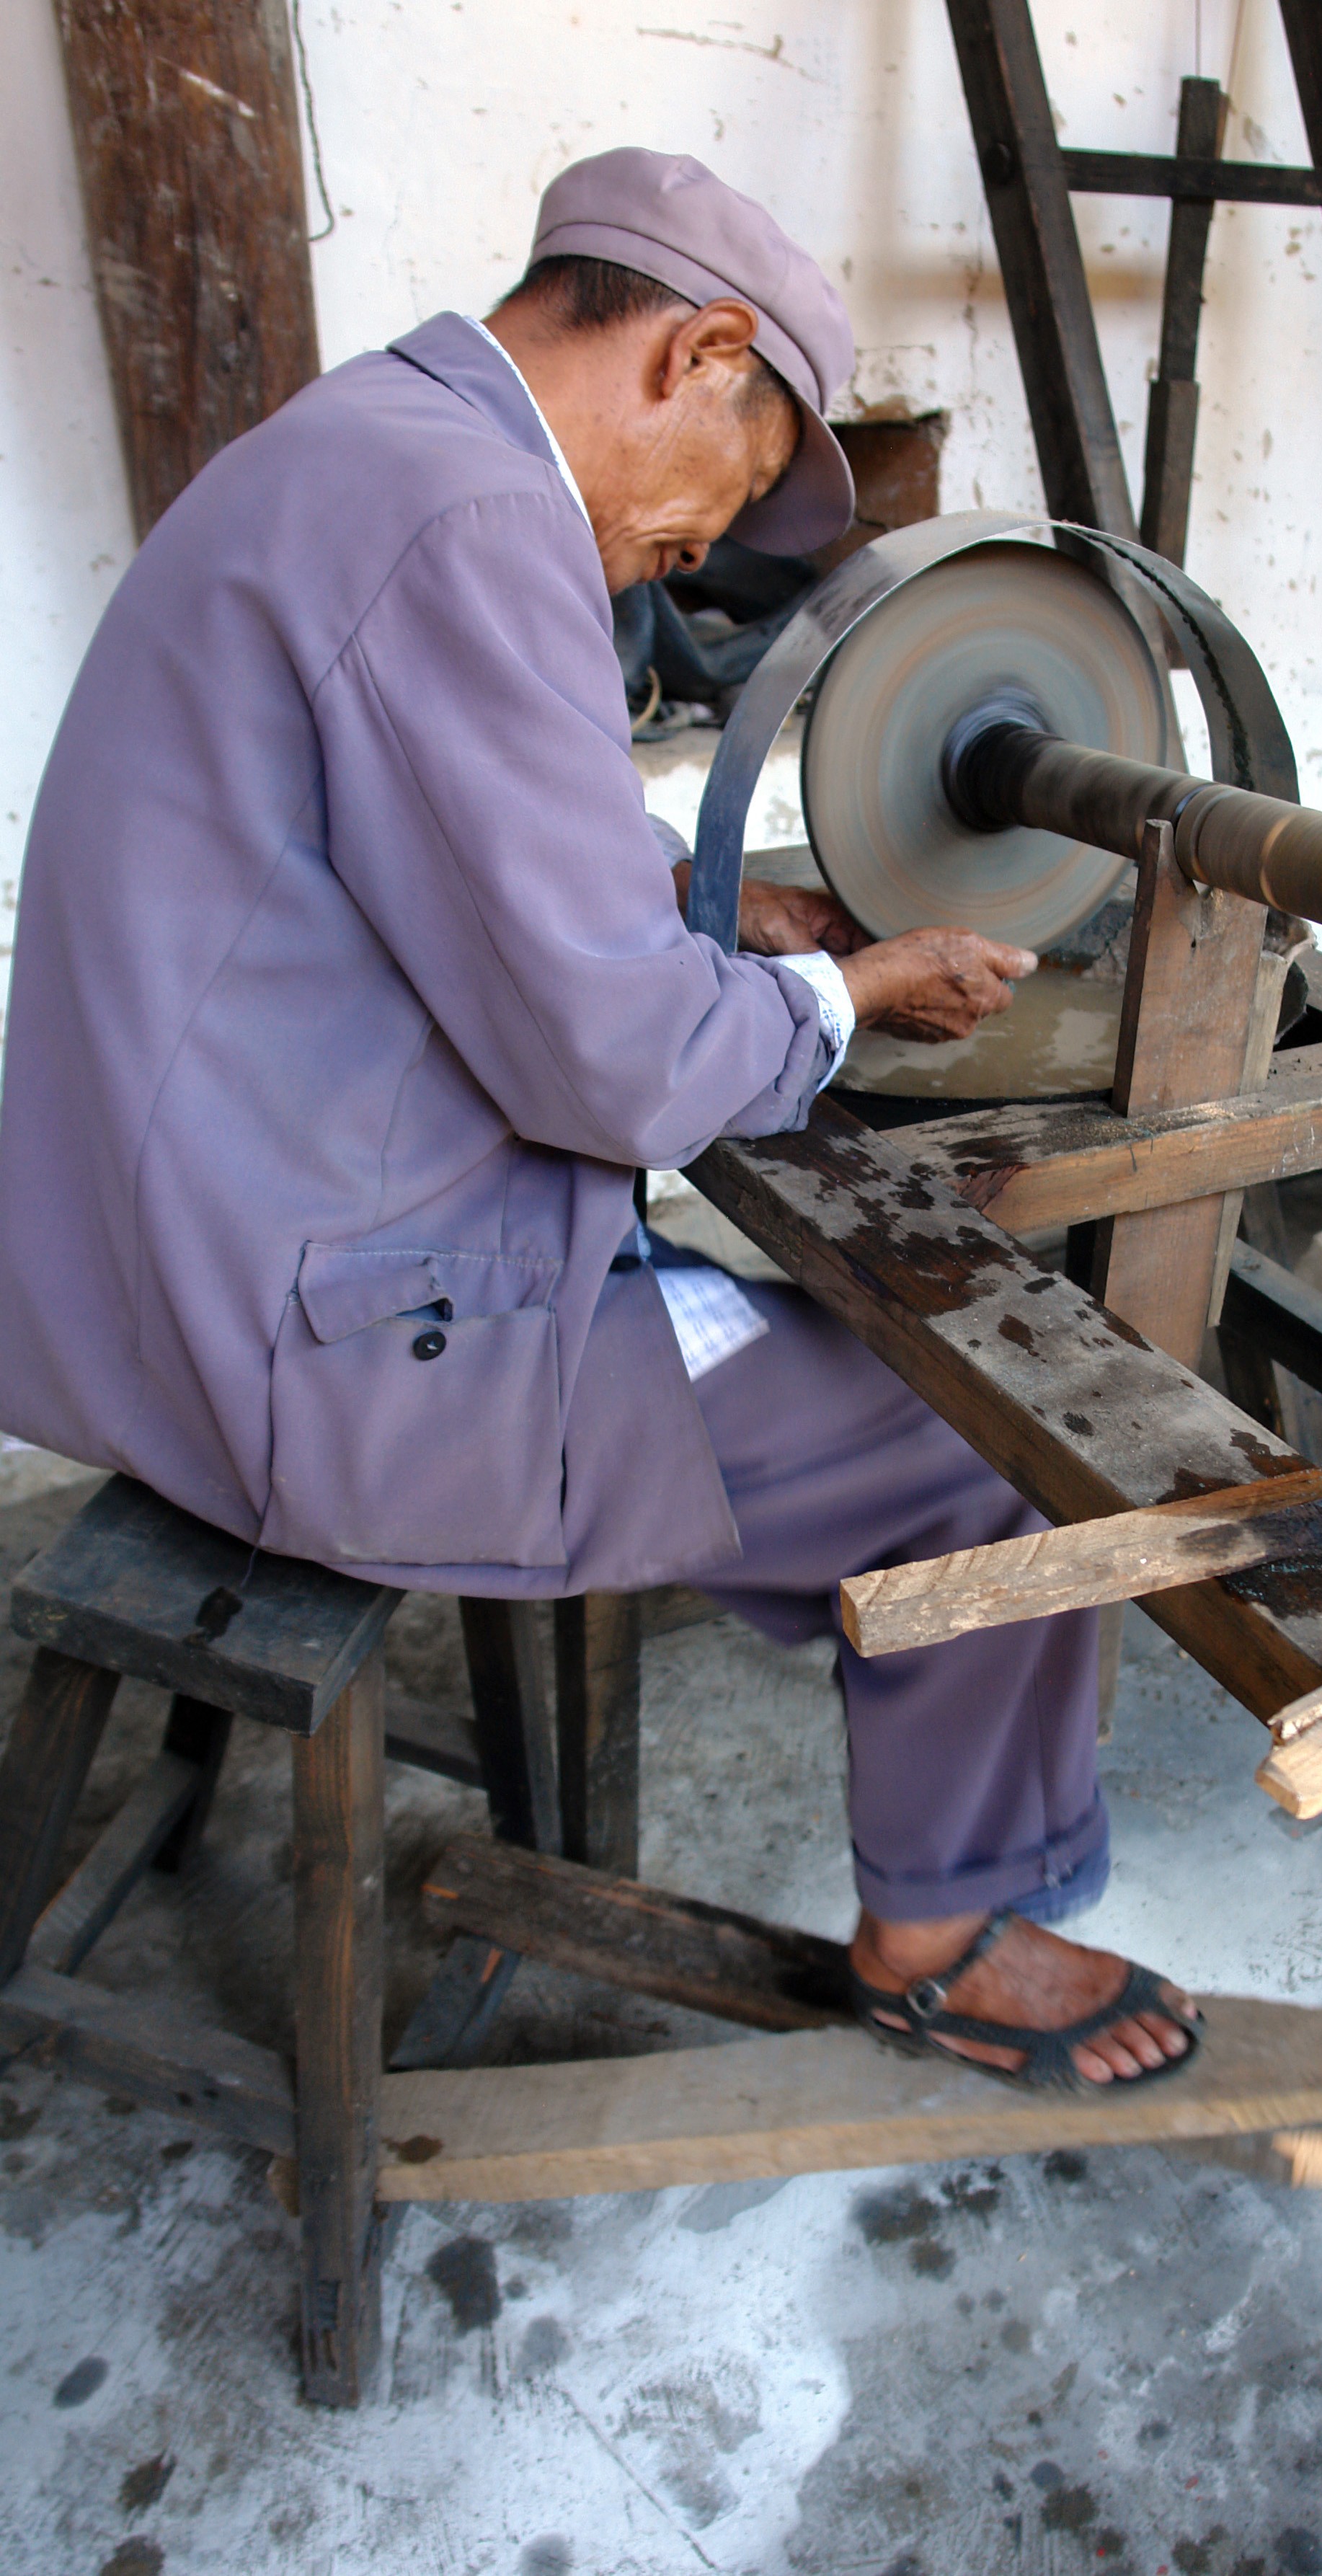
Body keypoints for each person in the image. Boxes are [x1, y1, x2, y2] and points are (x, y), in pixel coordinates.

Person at [0, 149, 1197, 2090]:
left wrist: (695, 904)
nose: (689, 555)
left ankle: (870, 1678)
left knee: (812, 1372)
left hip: (155, 1274)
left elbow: (408, 837)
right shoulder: (481, 520)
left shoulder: (365, 444)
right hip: (314, 1343)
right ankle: (946, 1933)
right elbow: (621, 1072)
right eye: (720, 502)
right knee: (989, 1433)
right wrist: (841, 993)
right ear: (699, 351)